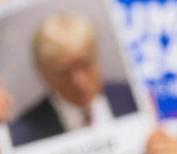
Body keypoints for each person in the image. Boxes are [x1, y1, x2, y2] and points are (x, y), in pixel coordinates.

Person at [6, 12, 137, 147]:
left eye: (85, 64)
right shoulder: (21, 135)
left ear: (96, 55)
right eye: (63, 72)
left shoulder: (136, 99)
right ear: (43, 74)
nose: (79, 82)